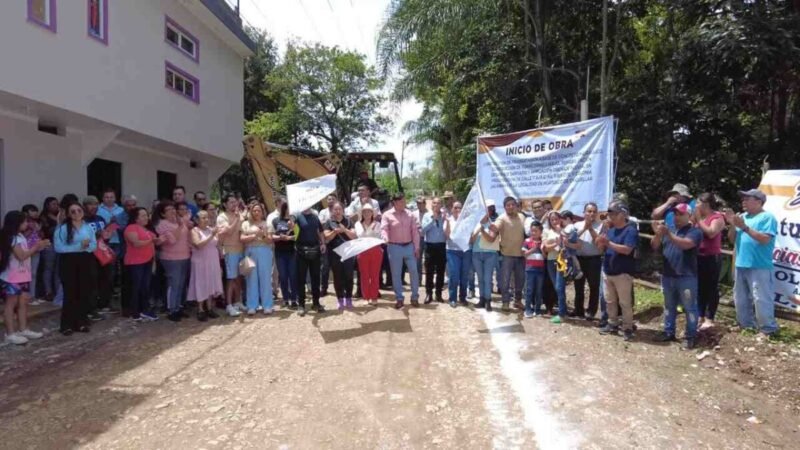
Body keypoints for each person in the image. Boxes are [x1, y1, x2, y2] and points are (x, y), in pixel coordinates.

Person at [725, 189, 779, 335]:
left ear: (759, 201)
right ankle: (746, 325)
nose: (743, 201)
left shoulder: (767, 217)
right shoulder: (742, 216)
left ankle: (768, 330)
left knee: (761, 299)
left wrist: (744, 227)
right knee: (740, 298)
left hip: (759, 265)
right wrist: (731, 224)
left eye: (748, 199)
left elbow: (765, 239)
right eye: (743, 199)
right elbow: (732, 239)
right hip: (741, 263)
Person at [650, 203, 702, 348]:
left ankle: (690, 336)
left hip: (686, 276)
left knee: (689, 307)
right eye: (675, 214)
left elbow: (686, 244)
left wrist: (667, 234)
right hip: (668, 274)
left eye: (681, 214)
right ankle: (668, 332)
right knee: (669, 306)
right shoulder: (669, 230)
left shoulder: (695, 232)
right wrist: (658, 235)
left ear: (689, 216)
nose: (677, 217)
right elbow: (654, 246)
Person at [1, 211, 49, 345]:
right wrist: (37, 247)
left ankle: (23, 329)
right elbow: (21, 256)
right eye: (24, 221)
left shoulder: (20, 235)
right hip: (11, 277)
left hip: (23, 275)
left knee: (23, 303)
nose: (26, 224)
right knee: (10, 305)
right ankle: (10, 333)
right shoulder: (11, 238)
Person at [596, 203, 639, 341]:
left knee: (625, 303)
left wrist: (608, 243)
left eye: (613, 213)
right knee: (610, 301)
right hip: (608, 271)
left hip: (623, 272)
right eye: (610, 213)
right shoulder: (610, 229)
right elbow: (601, 249)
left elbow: (627, 249)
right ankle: (612, 323)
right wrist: (601, 243)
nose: (610, 216)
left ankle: (627, 328)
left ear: (622, 214)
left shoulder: (630, 230)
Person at [54, 202, 97, 335]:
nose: (77, 213)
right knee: (70, 293)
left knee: (83, 291)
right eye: (73, 211)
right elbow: (59, 247)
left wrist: (86, 247)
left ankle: (81, 322)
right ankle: (67, 325)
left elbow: (93, 244)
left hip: (85, 260)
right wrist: (79, 246)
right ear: (68, 214)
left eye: (79, 210)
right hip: (68, 261)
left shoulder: (87, 227)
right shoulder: (62, 228)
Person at [481, 196, 526, 311]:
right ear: (505, 207)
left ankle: (517, 301)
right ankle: (505, 302)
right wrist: (490, 228)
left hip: (521, 255)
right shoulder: (501, 218)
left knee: (520, 281)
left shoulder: (522, 217)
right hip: (507, 255)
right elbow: (495, 230)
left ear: (516, 206)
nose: (510, 207)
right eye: (508, 205)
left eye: (512, 204)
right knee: (505, 281)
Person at [381, 193, 421, 308]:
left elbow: (415, 232)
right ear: (395, 202)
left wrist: (417, 247)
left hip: (409, 247)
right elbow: (384, 229)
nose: (405, 203)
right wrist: (385, 237)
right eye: (402, 201)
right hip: (394, 247)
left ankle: (414, 297)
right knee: (396, 274)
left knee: (414, 272)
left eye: (405, 201)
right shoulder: (387, 215)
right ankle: (399, 298)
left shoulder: (410, 214)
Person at [155, 201, 192, 322]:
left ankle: (179, 307)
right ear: (162, 214)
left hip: (184, 256)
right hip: (171, 259)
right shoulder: (162, 225)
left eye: (173, 209)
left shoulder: (179, 221)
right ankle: (171, 309)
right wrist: (181, 226)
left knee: (181, 284)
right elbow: (172, 240)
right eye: (168, 210)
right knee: (173, 284)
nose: (172, 211)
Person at [124, 207, 162, 322]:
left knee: (145, 287)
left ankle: (144, 309)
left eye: (146, 215)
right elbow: (136, 243)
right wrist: (151, 240)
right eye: (143, 215)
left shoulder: (146, 230)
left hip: (147, 261)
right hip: (135, 262)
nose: (146, 217)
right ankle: (135, 311)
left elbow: (155, 242)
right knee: (136, 287)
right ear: (136, 218)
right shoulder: (131, 228)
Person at [694, 193, 725, 330]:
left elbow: (711, 233)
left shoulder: (717, 217)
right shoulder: (700, 218)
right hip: (698, 256)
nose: (695, 206)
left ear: (705, 204)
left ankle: (709, 317)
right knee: (699, 287)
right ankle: (699, 315)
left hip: (711, 257)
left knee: (711, 288)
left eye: (697, 203)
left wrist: (699, 220)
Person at [187, 210, 223, 321]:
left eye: (207, 217)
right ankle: (200, 309)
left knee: (211, 282)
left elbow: (216, 244)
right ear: (197, 220)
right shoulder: (194, 231)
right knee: (201, 283)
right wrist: (212, 235)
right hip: (200, 261)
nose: (206, 219)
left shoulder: (210, 230)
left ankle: (209, 307)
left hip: (212, 260)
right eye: (203, 218)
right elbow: (198, 245)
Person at [240, 203, 275, 315]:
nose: (256, 212)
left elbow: (270, 240)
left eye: (258, 210)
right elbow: (242, 238)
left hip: (264, 251)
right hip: (250, 251)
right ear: (251, 211)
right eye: (254, 210)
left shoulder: (267, 224)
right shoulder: (246, 224)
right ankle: (252, 305)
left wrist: (263, 234)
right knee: (251, 279)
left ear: (262, 211)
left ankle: (267, 305)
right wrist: (255, 235)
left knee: (265, 278)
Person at [573, 203, 604, 320]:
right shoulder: (576, 225)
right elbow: (571, 239)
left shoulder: (600, 226)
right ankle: (578, 310)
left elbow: (599, 243)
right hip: (579, 260)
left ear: (597, 213)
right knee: (578, 285)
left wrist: (590, 228)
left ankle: (591, 311)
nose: (591, 214)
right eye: (589, 211)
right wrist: (584, 228)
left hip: (594, 260)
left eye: (594, 211)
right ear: (584, 212)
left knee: (594, 286)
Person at [323, 202, 357, 310]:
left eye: (339, 209)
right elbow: (326, 237)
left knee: (349, 276)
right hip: (334, 254)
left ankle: (349, 298)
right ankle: (340, 299)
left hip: (348, 253)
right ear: (332, 211)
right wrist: (335, 232)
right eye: (335, 209)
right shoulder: (329, 222)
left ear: (343, 210)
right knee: (337, 277)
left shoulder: (348, 221)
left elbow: (354, 236)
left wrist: (344, 230)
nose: (337, 211)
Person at [295, 207, 327, 316]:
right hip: (301, 252)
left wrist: (322, 243)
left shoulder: (315, 217)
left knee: (316, 278)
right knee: (301, 279)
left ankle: (316, 303)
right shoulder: (297, 217)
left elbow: (320, 232)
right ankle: (301, 305)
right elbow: (293, 232)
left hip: (315, 251)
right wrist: (291, 225)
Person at [83, 196, 111, 320]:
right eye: (90, 204)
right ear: (84, 206)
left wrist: (107, 235)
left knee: (105, 279)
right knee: (91, 281)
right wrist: (96, 235)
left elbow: (105, 237)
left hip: (102, 253)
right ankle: (90, 308)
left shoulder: (101, 219)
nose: (94, 207)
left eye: (96, 204)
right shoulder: (82, 220)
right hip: (89, 255)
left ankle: (103, 304)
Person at [216, 195, 244, 317]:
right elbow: (229, 231)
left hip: (241, 250)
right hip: (229, 250)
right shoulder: (222, 217)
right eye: (231, 202)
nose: (234, 204)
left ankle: (238, 302)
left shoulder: (239, 215)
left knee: (239, 278)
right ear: (225, 204)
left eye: (235, 202)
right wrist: (237, 219)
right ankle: (228, 305)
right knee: (231, 278)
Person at [470, 203, 500, 311]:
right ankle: (482, 299)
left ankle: (488, 300)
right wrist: (477, 230)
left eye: (486, 211)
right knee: (480, 278)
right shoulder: (475, 224)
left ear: (490, 212)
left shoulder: (494, 224)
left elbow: (491, 239)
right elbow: (471, 241)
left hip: (490, 254)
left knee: (487, 278)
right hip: (476, 253)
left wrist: (482, 230)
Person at [444, 201, 470, 307]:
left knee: (464, 276)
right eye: (455, 208)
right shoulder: (448, 220)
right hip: (452, 251)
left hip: (465, 251)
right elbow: (447, 236)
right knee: (454, 275)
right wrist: (449, 223)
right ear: (452, 209)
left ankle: (463, 297)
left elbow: (468, 235)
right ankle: (453, 298)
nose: (457, 210)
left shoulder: (467, 221)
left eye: (460, 208)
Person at [355, 203, 383, 305]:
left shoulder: (378, 224)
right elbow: (360, 235)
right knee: (364, 275)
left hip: (375, 250)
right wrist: (370, 231)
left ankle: (374, 296)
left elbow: (377, 236)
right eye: (365, 211)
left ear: (372, 213)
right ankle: (366, 297)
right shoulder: (358, 224)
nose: (367, 213)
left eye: (369, 211)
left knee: (374, 275)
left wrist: (368, 232)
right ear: (362, 213)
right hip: (362, 250)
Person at [542, 211, 567, 324]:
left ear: (560, 219)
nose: (554, 221)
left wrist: (561, 233)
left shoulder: (565, 230)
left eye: (556, 219)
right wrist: (555, 244)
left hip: (562, 261)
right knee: (556, 287)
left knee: (559, 287)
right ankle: (563, 310)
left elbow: (569, 244)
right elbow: (545, 248)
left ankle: (562, 314)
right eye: (552, 220)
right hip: (551, 261)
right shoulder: (547, 231)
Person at [421, 197, 447, 304]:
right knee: (429, 271)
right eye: (434, 203)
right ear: (432, 205)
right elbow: (423, 230)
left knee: (441, 271)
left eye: (439, 203)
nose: (436, 205)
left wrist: (443, 219)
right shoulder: (427, 216)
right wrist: (433, 220)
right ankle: (429, 293)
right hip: (430, 246)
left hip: (441, 245)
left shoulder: (445, 216)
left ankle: (438, 294)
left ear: (441, 205)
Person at [272, 202, 298, 308]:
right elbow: (271, 235)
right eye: (288, 208)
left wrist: (290, 237)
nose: (289, 210)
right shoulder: (275, 221)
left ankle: (294, 299)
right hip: (279, 252)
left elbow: (298, 235)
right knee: (283, 277)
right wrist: (279, 237)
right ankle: (285, 298)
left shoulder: (295, 220)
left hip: (292, 252)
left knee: (292, 276)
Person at [521, 221, 546, 318]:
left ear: (541, 232)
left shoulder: (543, 242)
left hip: (540, 270)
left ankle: (538, 309)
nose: (533, 233)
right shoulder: (527, 241)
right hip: (530, 269)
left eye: (536, 231)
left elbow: (545, 256)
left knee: (539, 290)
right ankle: (527, 309)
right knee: (529, 289)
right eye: (532, 231)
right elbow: (524, 254)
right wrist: (533, 248)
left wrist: (542, 248)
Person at [39, 197, 61, 302]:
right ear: (47, 205)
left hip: (60, 245)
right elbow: (46, 231)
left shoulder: (60, 215)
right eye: (53, 204)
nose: (56, 206)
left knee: (58, 270)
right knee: (48, 269)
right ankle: (48, 291)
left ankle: (57, 291)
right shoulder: (43, 217)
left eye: (57, 204)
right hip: (49, 244)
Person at [21, 205, 43, 304]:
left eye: (36, 210)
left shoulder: (37, 222)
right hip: (24, 251)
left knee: (34, 273)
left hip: (36, 250)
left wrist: (38, 231)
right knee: (25, 274)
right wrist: (30, 229)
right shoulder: (21, 223)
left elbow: (40, 235)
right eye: (33, 211)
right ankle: (26, 296)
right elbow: (21, 236)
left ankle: (33, 295)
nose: (35, 213)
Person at [318, 194, 336, 296]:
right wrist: (329, 220)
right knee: (325, 266)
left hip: (337, 242)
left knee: (337, 267)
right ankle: (324, 288)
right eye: (329, 199)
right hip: (326, 242)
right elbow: (320, 225)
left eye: (333, 199)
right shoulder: (323, 212)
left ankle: (340, 288)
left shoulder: (339, 210)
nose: (331, 201)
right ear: (326, 201)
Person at [559, 210, 583, 280]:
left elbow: (566, 233)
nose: (562, 222)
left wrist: (561, 231)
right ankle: (573, 270)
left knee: (572, 257)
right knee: (571, 257)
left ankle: (577, 270)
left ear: (568, 219)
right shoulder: (570, 227)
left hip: (570, 244)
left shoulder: (570, 226)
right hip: (568, 245)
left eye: (563, 220)